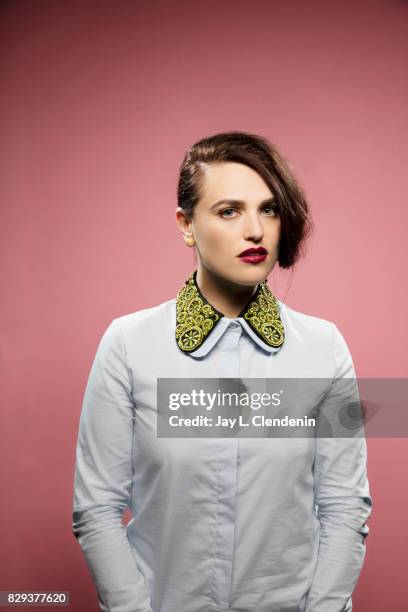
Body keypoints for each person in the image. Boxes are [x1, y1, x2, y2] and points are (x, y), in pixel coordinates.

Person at [72, 131, 372, 612]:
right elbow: (96, 509)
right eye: (229, 210)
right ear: (186, 224)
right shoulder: (128, 345)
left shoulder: (325, 348)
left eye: (268, 209)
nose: (254, 230)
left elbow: (344, 508)